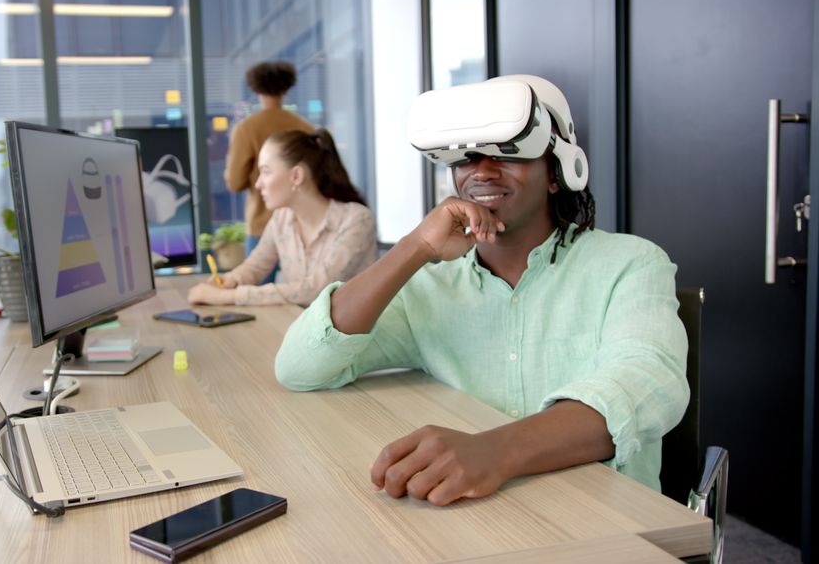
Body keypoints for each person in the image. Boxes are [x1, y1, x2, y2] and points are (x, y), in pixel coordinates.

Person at [274, 75, 688, 506]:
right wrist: (415, 247)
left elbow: (648, 385)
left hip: (605, 519)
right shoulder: (430, 286)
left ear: (556, 172)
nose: (483, 170)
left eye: (509, 152)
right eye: (467, 157)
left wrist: (494, 451)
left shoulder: (631, 264)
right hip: (477, 519)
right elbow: (300, 367)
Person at [188, 128, 377, 307]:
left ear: (296, 176)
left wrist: (229, 297)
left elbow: (318, 290)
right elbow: (256, 265)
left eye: (266, 171)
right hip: (300, 328)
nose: (258, 184)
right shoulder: (281, 219)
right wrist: (232, 279)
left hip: (348, 338)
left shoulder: (357, 220)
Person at [225, 61, 314, 282]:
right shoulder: (305, 127)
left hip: (261, 224)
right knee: (305, 298)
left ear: (256, 89)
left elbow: (235, 182)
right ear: (287, 88)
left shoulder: (247, 128)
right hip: (304, 223)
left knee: (258, 297)